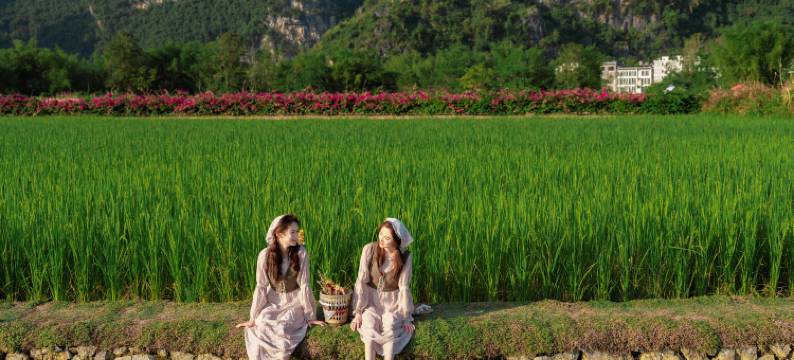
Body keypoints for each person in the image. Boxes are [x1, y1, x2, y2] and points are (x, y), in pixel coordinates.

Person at [235, 214, 325, 359]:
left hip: (295, 303)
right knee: (262, 321)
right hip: (274, 303)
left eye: (297, 231)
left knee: (283, 327)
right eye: (292, 232)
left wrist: (310, 316)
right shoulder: (264, 256)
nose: (297, 236)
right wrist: (253, 317)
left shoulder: (301, 253)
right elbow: (261, 287)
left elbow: (304, 285)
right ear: (279, 234)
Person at [350, 218, 415, 360]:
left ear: (397, 241)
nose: (381, 239)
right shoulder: (369, 249)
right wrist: (358, 311)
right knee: (369, 325)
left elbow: (403, 287)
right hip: (370, 301)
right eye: (380, 234)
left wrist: (406, 317)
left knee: (390, 325)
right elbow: (362, 281)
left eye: (387, 238)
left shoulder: (405, 257)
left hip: (392, 304)